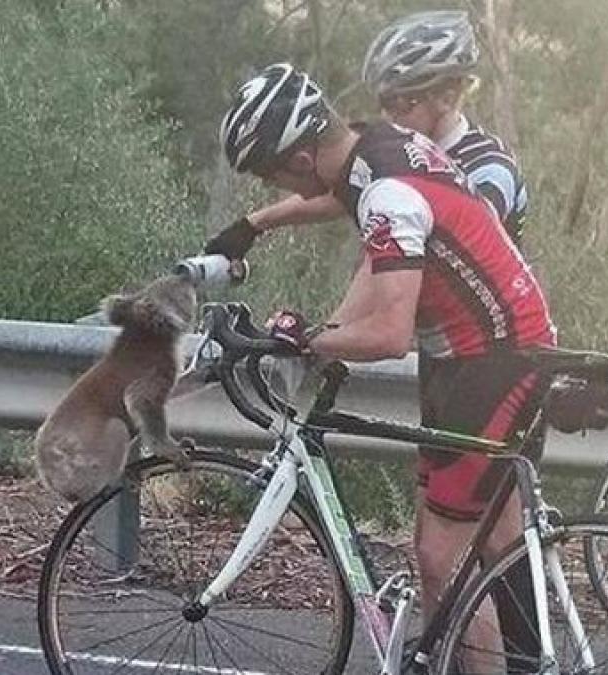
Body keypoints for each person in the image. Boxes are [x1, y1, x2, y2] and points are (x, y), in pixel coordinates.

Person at [206, 62, 556, 670]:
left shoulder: (387, 197)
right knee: (490, 540)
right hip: (475, 354)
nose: (272, 186)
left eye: (268, 175)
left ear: (300, 160)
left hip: (495, 363)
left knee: (441, 556)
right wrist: (255, 228)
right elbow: (338, 203)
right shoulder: (376, 147)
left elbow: (391, 334)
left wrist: (311, 339)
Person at [229, 11, 528, 248]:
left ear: (446, 99)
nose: (387, 116)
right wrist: (253, 224)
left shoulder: (489, 169)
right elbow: (342, 192)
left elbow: (463, 244)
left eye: (401, 104)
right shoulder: (402, 149)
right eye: (384, 102)